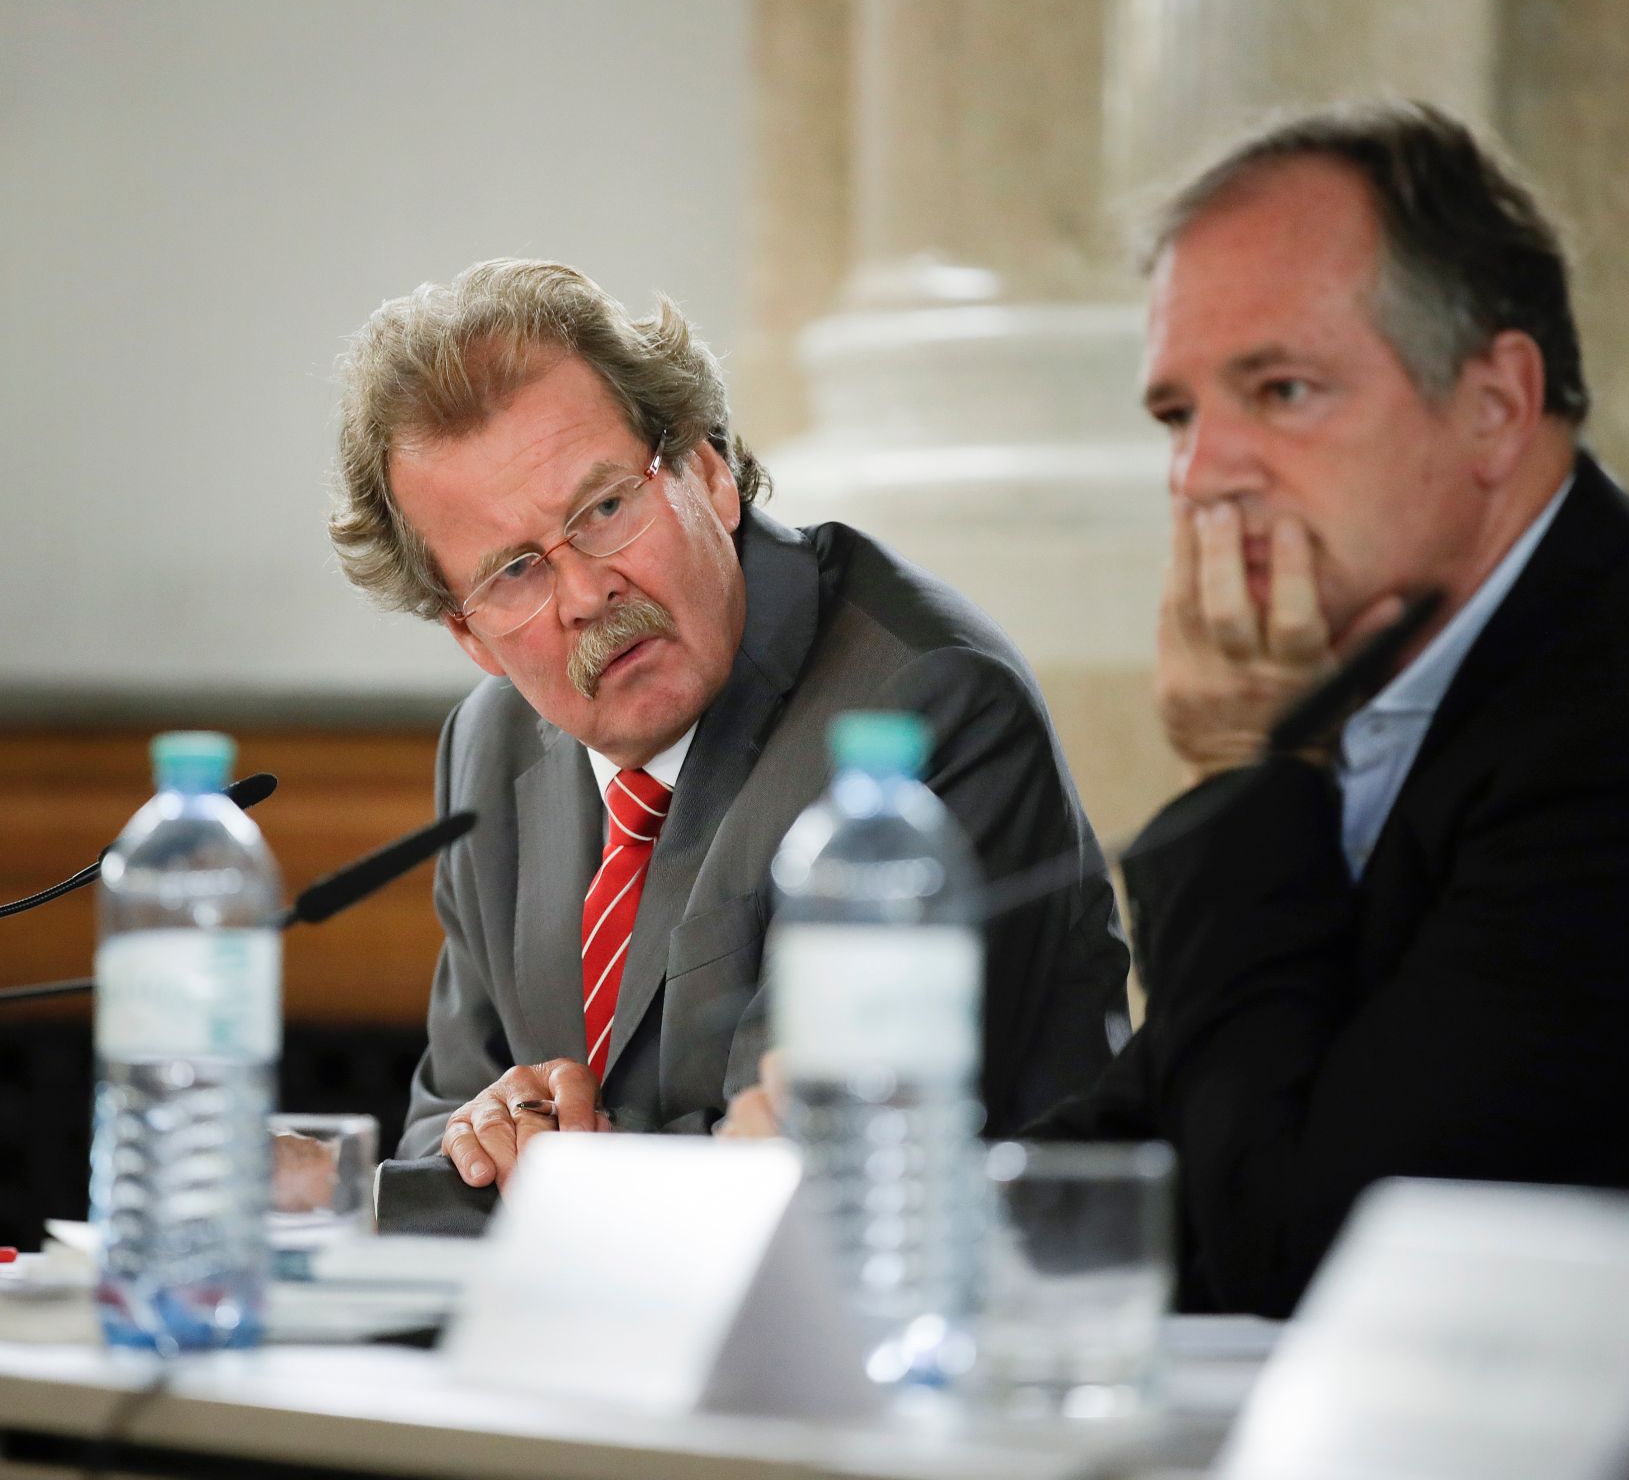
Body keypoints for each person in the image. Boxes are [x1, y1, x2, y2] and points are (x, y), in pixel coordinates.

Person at [724, 100, 1629, 1319]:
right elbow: (1173, 1137)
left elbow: (1303, 1254)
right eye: (1178, 414)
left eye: (1280, 390)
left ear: (1493, 403)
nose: (1199, 473)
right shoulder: (1387, 669)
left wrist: (1234, 775)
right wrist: (882, 1202)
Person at [327, 259, 1129, 1206]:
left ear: (707, 475)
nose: (586, 593)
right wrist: (491, 1135)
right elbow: (443, 1133)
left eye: (605, 509)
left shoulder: (927, 710)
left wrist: (552, 1171)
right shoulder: (488, 747)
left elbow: (812, 1166)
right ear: (469, 636)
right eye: (513, 573)